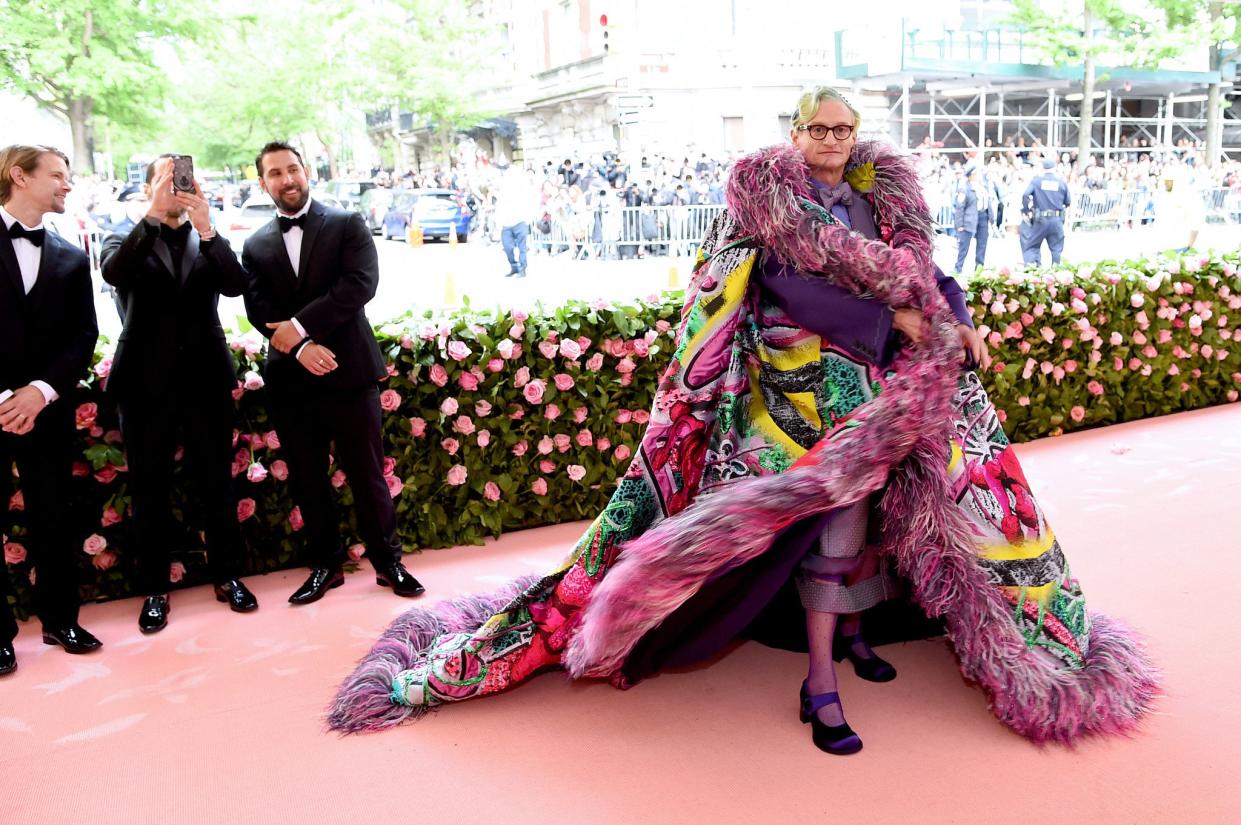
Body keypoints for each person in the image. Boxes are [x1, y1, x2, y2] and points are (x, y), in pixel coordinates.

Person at [330, 89, 1158, 752]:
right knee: (826, 524)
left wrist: (954, 315)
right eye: (817, 127)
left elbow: (925, 272)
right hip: (801, 403)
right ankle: (820, 681)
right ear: (793, 132)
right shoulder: (766, 204)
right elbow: (785, 292)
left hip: (897, 391)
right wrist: (886, 326)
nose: (831, 138)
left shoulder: (886, 200)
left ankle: (862, 637)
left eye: (843, 127)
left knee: (886, 520)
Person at [241, 141, 424, 605]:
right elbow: (259, 308)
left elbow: (359, 284)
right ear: (263, 183)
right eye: (276, 173)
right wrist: (300, 347)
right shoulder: (255, 243)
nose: (287, 179)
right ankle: (325, 566)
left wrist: (301, 328)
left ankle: (389, 562)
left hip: (349, 372)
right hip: (292, 379)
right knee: (307, 477)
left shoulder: (346, 224)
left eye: (293, 169)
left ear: (307, 173)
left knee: (367, 472)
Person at [99, 156, 258, 633]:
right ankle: (153, 590)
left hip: (206, 380)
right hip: (144, 385)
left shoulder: (206, 236)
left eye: (186, 180)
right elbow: (115, 273)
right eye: (167, 181)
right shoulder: (120, 235)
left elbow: (236, 285)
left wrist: (208, 229)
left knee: (217, 484)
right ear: (148, 188)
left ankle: (228, 576)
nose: (179, 189)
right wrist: (151, 215)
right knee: (150, 491)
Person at [0, 144, 101, 672]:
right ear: (19, 175)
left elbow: (85, 334)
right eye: (58, 175)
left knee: (54, 518)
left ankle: (62, 620)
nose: (67, 184)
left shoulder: (71, 255)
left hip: (49, 409)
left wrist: (41, 391)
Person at [1019, 158, 1071, 267]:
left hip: (1040, 219)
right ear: (1055, 167)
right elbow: (1068, 201)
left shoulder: (1037, 181)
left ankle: (1031, 272)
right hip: (1056, 219)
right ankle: (1056, 275)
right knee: (1056, 250)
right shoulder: (1061, 182)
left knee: (1032, 246)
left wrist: (1026, 210)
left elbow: (1025, 195)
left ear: (1043, 168)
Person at [952, 160, 999, 275]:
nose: (979, 175)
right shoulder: (965, 188)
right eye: (977, 173)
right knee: (964, 246)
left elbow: (988, 204)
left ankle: (979, 268)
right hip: (969, 219)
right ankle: (958, 268)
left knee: (982, 244)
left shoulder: (983, 187)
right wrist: (959, 225)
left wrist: (992, 220)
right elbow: (960, 207)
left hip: (983, 217)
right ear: (972, 175)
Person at [493, 166, 535, 278]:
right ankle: (514, 266)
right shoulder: (503, 191)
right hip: (506, 223)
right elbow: (499, 206)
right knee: (507, 247)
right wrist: (498, 221)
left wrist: (528, 219)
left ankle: (523, 268)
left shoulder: (522, 189)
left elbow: (529, 203)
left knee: (522, 247)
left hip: (520, 222)